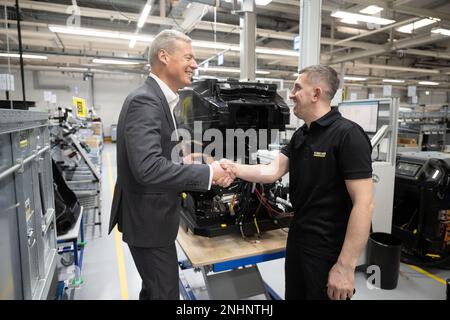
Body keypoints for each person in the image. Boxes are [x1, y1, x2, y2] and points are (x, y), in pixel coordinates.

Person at [221, 65, 374, 300]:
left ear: (316, 93)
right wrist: (232, 168)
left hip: (328, 249)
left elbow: (364, 205)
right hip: (298, 239)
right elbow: (272, 171)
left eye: (297, 87)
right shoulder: (302, 134)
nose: (291, 94)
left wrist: (345, 266)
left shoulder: (348, 135)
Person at [108, 30, 233, 300]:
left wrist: (184, 161)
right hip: (148, 223)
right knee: (164, 294)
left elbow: (151, 157)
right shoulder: (146, 100)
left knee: (155, 291)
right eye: (189, 57)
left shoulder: (161, 99)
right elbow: (148, 168)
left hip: (152, 220)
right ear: (164, 56)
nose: (196, 64)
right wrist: (208, 173)